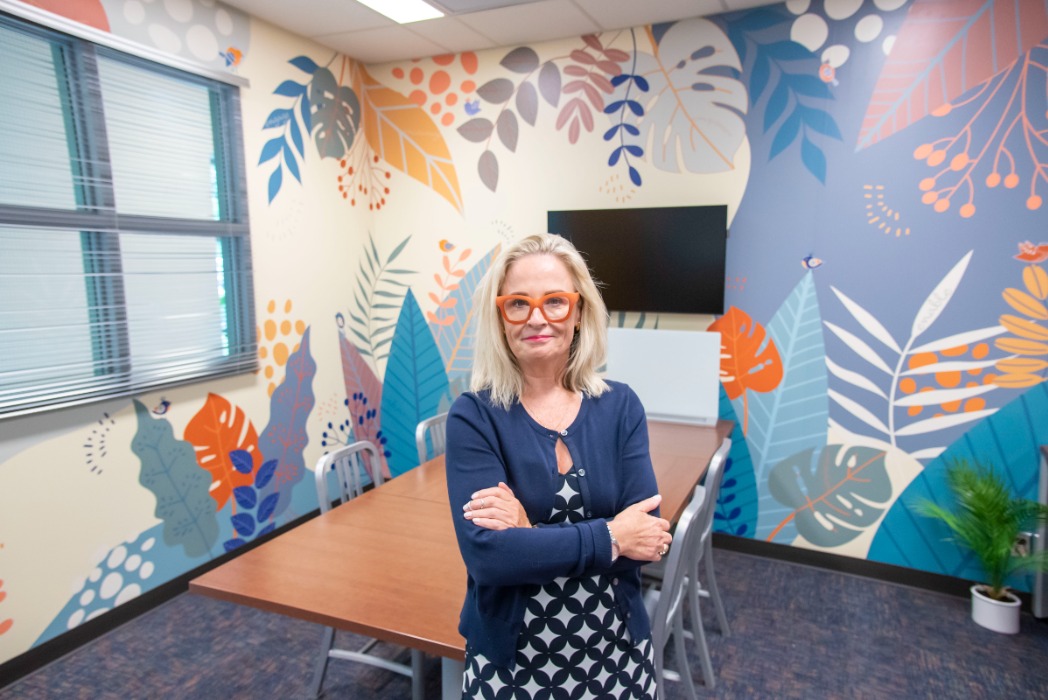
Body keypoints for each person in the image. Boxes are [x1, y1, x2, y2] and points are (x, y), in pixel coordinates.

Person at [445, 232, 672, 699]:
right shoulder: (475, 416)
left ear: (580, 311)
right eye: (518, 304)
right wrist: (610, 535)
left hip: (617, 652)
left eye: (554, 301)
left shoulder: (620, 407)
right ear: (500, 317)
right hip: (512, 665)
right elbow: (490, 557)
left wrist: (529, 533)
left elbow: (646, 538)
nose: (537, 318)